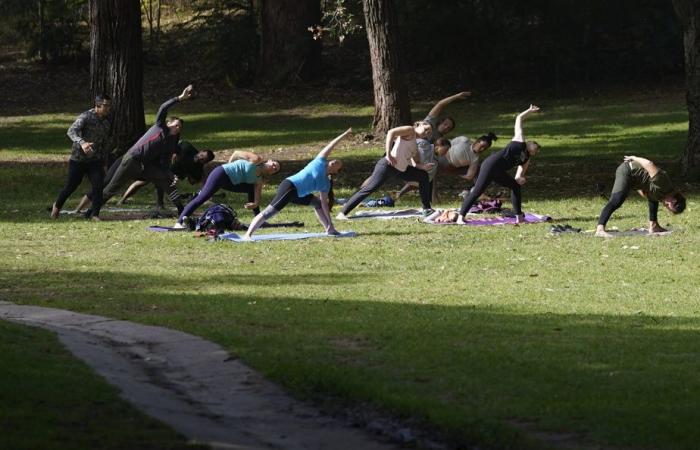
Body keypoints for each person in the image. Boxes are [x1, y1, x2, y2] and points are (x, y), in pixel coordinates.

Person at [83, 85, 195, 218]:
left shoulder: (170, 143)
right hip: (132, 160)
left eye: (179, 127)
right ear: (168, 123)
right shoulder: (160, 126)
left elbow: (165, 164)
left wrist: (171, 175)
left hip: (145, 166)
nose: (177, 128)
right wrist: (180, 98)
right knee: (112, 188)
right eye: (175, 124)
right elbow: (163, 108)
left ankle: (181, 209)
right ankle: (92, 212)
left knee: (166, 180)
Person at [243, 128, 352, 239]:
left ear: (336, 171)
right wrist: (344, 134)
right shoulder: (319, 161)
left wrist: (330, 223)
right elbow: (331, 145)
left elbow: (324, 204)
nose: (334, 161)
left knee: (317, 203)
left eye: (338, 163)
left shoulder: (325, 183)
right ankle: (248, 234)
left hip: (299, 194)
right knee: (270, 212)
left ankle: (330, 230)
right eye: (335, 160)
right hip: (290, 186)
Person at [456, 105, 541, 225]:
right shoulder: (520, 141)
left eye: (537, 150)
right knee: (478, 191)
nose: (536, 148)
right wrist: (529, 111)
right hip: (491, 165)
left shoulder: (527, 158)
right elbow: (519, 119)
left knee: (516, 186)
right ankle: (460, 217)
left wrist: (519, 178)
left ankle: (519, 217)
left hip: (499, 171)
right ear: (529, 143)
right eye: (535, 145)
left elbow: (520, 173)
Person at [336, 122, 435, 219]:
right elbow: (391, 132)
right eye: (426, 129)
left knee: (423, 175)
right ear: (419, 125)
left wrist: (423, 167)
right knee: (369, 188)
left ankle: (426, 209)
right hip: (387, 165)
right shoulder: (410, 130)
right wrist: (388, 153)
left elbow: (414, 162)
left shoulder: (415, 144)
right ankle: (342, 213)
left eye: (429, 132)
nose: (426, 132)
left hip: (400, 170)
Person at [173, 151, 280, 229]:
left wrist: (255, 203)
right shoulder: (256, 159)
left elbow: (257, 195)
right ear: (269, 161)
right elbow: (237, 153)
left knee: (251, 188)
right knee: (202, 198)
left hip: (229, 182)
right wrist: (229, 164)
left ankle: (258, 220)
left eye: (275, 170)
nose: (273, 167)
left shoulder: (259, 179)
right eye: (274, 164)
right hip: (221, 174)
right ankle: (179, 222)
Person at [50, 94, 114, 219]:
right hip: (78, 159)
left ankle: (95, 214)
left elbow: (104, 144)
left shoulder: (106, 123)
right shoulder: (86, 116)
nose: (108, 108)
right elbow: (71, 131)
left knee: (98, 185)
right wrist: (83, 143)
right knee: (71, 186)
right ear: (97, 105)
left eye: (109, 106)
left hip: (94, 160)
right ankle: (56, 207)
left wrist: (104, 162)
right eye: (105, 106)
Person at [595, 156, 686, 237]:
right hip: (628, 170)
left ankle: (654, 226)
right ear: (674, 200)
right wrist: (634, 158)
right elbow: (649, 164)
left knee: (653, 199)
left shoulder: (663, 195)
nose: (665, 205)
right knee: (617, 200)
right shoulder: (663, 183)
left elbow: (646, 194)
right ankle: (600, 230)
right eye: (668, 206)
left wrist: (638, 188)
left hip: (635, 180)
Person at [116, 141, 215, 208]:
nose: (200, 158)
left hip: (170, 176)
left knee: (163, 184)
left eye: (203, 159)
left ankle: (161, 204)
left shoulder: (198, 168)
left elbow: (193, 181)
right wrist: (174, 152)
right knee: (142, 182)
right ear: (201, 151)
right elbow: (177, 143)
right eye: (201, 155)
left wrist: (192, 177)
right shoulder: (188, 148)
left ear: (205, 162)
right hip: (162, 166)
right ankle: (123, 199)